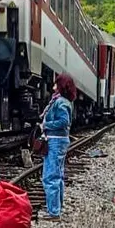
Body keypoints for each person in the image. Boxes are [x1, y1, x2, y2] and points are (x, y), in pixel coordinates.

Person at [40, 73, 76, 219]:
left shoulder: (60, 102)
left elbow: (64, 122)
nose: (53, 86)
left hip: (55, 141)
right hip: (60, 140)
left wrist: (45, 125)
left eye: (56, 83)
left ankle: (54, 211)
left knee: (50, 176)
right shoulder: (64, 101)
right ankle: (57, 207)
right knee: (58, 175)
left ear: (61, 86)